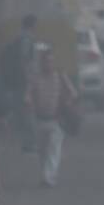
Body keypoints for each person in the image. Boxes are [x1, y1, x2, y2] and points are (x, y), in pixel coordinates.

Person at [25, 46, 76, 187]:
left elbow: (73, 93)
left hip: (57, 120)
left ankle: (48, 177)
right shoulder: (35, 78)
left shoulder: (61, 76)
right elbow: (28, 94)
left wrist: (67, 103)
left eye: (51, 61)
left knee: (54, 150)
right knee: (42, 151)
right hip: (39, 120)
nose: (48, 64)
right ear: (42, 63)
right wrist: (28, 101)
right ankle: (46, 174)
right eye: (46, 61)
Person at [0, 14, 37, 151]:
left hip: (17, 80)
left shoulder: (18, 38)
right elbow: (24, 60)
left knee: (19, 110)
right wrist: (29, 79)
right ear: (33, 25)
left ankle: (7, 129)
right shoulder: (27, 39)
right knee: (26, 111)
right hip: (23, 81)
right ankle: (29, 143)